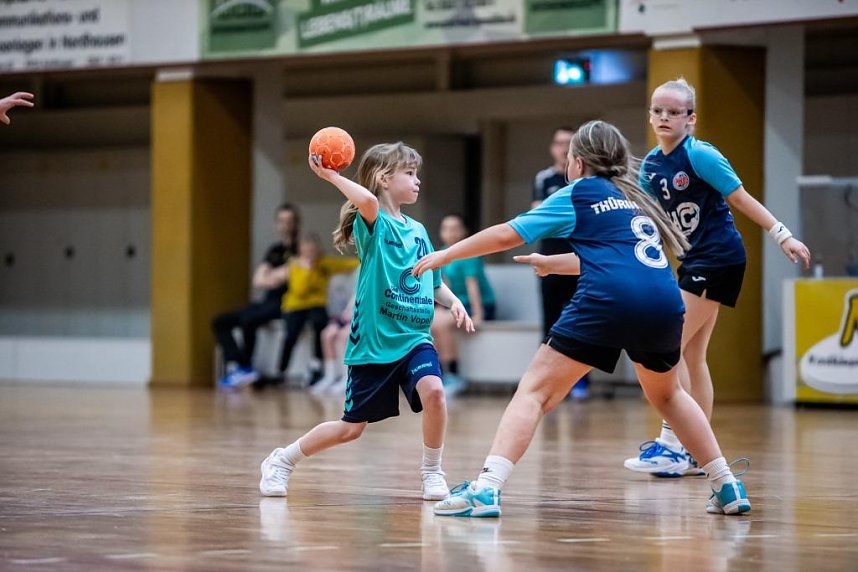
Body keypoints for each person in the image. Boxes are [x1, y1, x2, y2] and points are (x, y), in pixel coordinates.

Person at [415, 120, 751, 517]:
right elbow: (621, 260)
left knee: (534, 392)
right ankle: (726, 484)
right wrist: (552, 264)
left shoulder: (578, 192)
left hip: (609, 299)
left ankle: (486, 489)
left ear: (576, 162)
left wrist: (446, 254)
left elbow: (509, 233)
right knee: (671, 395)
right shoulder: (636, 197)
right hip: (663, 299)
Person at [259, 142, 474, 501]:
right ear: (383, 178)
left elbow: (434, 282)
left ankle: (432, 471)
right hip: (374, 345)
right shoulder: (370, 221)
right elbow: (370, 202)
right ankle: (283, 459)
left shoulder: (419, 231)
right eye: (410, 173)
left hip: (414, 338)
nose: (418, 180)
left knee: (435, 391)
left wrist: (454, 303)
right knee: (350, 429)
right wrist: (331, 176)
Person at [624, 78, 812, 477]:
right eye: (657, 110)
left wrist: (783, 235)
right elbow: (648, 223)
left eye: (673, 112)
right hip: (692, 261)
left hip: (719, 257)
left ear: (690, 119)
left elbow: (740, 197)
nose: (663, 118)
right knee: (692, 355)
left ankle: (674, 446)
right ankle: (695, 451)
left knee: (667, 347)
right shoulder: (652, 165)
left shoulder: (701, 155)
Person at [212, 203, 300, 388]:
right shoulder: (275, 250)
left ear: (296, 224)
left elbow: (294, 272)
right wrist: (276, 277)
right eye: (281, 221)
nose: (285, 225)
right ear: (277, 224)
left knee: (248, 319)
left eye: (289, 221)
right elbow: (258, 280)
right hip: (267, 300)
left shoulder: (301, 248)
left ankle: (245, 367)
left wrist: (276, 274)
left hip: (286, 303)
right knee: (220, 321)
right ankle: (238, 365)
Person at [533, 127, 590, 399]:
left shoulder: (586, 180)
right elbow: (537, 215)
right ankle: (548, 381)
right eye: (558, 143)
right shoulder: (544, 178)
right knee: (551, 320)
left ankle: (580, 382)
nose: (562, 148)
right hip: (549, 259)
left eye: (568, 144)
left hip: (582, 259)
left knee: (583, 319)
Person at [276, 231, 360, 386]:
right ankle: (281, 370)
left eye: (313, 249)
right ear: (301, 249)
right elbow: (300, 289)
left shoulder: (324, 263)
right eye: (307, 249)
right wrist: (308, 269)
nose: (310, 252)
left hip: (317, 304)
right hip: (296, 305)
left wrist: (366, 261)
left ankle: (317, 366)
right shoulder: (294, 265)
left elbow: (350, 264)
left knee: (319, 322)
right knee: (291, 332)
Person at [431, 214, 496, 396]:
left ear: (463, 231)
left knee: (442, 323)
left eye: (455, 228)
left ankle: (453, 374)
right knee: (430, 320)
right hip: (457, 305)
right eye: (446, 228)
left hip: (481, 305)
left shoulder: (470, 253)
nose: (450, 232)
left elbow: (472, 285)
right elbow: (444, 285)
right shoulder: (442, 253)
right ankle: (436, 374)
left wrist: (478, 315)